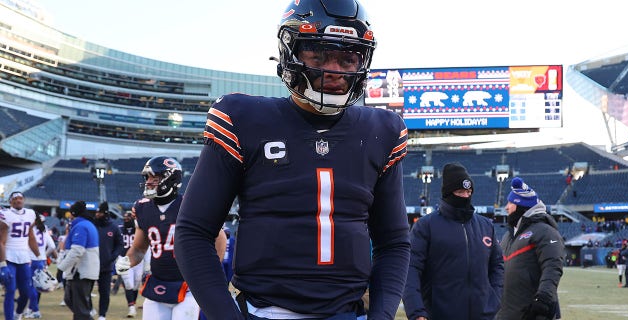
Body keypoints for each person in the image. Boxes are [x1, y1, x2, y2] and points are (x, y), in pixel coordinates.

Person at [174, 1, 410, 318]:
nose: (335, 70)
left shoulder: (383, 130)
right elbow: (193, 232)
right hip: (266, 311)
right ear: (291, 50)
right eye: (320, 53)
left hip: (347, 312)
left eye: (348, 57)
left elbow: (394, 242)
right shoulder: (243, 117)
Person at [114, 156, 227, 320]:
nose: (149, 182)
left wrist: (210, 272)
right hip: (158, 283)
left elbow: (219, 237)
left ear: (170, 179)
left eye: (155, 177)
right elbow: (139, 249)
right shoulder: (142, 207)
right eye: (147, 177)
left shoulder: (191, 204)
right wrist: (128, 260)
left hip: (188, 286)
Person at [402, 163, 504, 320]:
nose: (465, 196)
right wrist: (416, 311)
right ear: (448, 193)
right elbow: (411, 269)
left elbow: (497, 266)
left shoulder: (486, 226)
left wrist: (494, 299)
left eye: (468, 191)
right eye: (460, 191)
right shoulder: (426, 226)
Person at [496, 177, 564, 320]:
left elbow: (552, 266)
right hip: (506, 313)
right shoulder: (508, 237)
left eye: (510, 203)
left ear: (521, 205)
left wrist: (543, 299)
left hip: (531, 313)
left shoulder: (545, 231)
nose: (507, 207)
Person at [0, 191, 41, 320]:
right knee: (10, 291)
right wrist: (2, 264)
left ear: (23, 200)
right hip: (9, 257)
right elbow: (1, 240)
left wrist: (38, 257)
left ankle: (18, 314)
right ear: (10, 201)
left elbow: (31, 236)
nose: (18, 200)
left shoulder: (30, 214)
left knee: (26, 292)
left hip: (24, 258)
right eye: (15, 198)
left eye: (20, 198)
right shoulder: (6, 215)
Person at [56, 200, 100, 320]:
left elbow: (77, 251)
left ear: (73, 213)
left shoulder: (80, 226)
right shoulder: (87, 224)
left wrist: (61, 268)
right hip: (84, 271)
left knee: (80, 309)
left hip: (81, 272)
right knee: (72, 301)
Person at [93, 202, 123, 320]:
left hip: (106, 266)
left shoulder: (113, 227)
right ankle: (89, 309)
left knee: (104, 292)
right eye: (96, 212)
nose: (97, 214)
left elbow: (119, 244)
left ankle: (102, 315)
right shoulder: (92, 225)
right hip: (91, 264)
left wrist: (112, 256)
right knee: (85, 291)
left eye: (99, 212)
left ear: (105, 213)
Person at [24, 213, 58, 319]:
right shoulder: (44, 231)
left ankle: (35, 310)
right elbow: (52, 246)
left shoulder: (29, 230)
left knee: (30, 286)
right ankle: (31, 309)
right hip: (41, 260)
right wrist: (44, 256)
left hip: (30, 259)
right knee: (38, 286)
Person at [118, 210, 148, 318]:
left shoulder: (139, 229)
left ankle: (133, 303)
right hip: (124, 259)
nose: (126, 220)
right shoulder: (120, 229)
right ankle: (131, 308)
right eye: (125, 218)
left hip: (138, 260)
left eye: (128, 218)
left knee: (135, 284)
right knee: (128, 284)